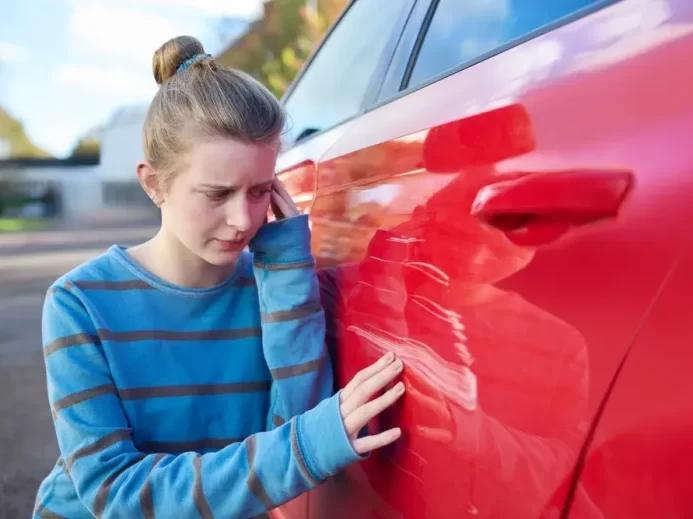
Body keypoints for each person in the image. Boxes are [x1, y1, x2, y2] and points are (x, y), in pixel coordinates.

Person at [33, 36, 405, 519]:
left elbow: (293, 437)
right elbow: (115, 494)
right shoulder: (78, 302)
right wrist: (311, 445)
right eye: (217, 193)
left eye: (259, 191)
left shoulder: (272, 285)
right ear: (153, 183)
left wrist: (288, 269)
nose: (242, 220)